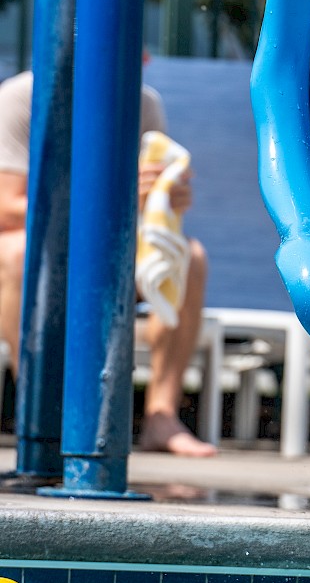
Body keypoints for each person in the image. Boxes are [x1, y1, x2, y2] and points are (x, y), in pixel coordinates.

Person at [0, 69, 217, 457]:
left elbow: (147, 213)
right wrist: (109, 193)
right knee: (18, 253)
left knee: (189, 257)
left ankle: (161, 415)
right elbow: (7, 207)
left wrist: (167, 197)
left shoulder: (144, 102)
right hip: (38, 254)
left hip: (104, 254)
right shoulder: (21, 98)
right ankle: (37, 415)